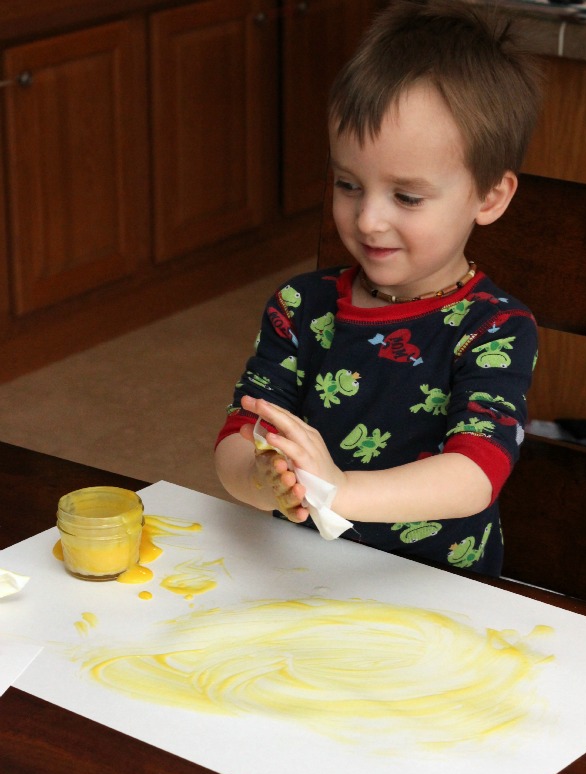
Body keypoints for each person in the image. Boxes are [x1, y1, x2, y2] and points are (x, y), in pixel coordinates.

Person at [214, 0, 541, 576]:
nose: (367, 220)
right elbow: (239, 436)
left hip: (436, 598)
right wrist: (264, 483)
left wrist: (339, 492)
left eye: (407, 197)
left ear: (489, 197)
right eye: (347, 183)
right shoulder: (300, 307)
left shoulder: (494, 328)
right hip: (294, 576)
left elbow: (474, 475)